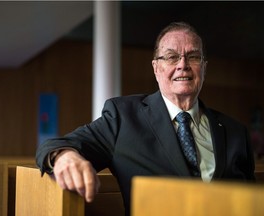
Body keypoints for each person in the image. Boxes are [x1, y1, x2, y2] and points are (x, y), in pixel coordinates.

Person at [36, 21, 255, 216]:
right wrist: (65, 156)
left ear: (204, 68)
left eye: (193, 56)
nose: (182, 64)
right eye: (171, 57)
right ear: (156, 68)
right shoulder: (123, 117)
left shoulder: (235, 131)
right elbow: (55, 145)